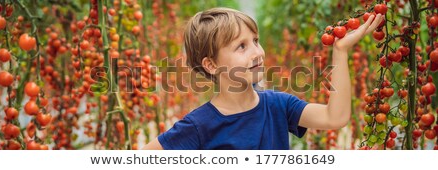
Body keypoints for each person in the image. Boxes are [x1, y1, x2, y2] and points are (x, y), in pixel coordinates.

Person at [142, 7, 384, 150]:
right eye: (241, 47)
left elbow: (335, 117)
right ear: (211, 65)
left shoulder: (280, 106)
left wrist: (340, 52)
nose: (258, 52)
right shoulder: (198, 126)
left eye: (256, 41)